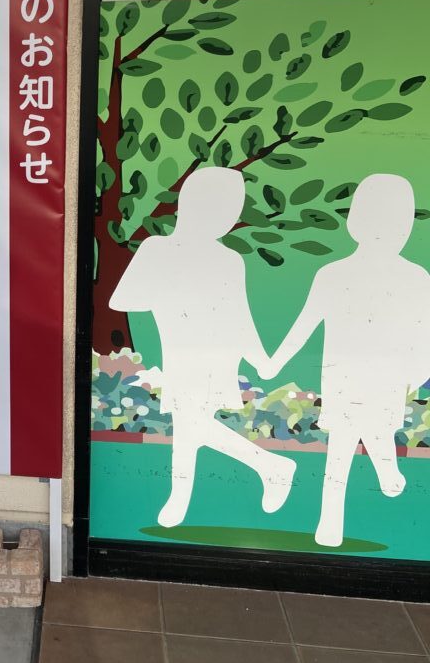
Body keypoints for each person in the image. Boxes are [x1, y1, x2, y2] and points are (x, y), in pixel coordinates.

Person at [110, 167, 296, 528]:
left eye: (231, 210)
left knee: (189, 424)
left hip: (215, 355)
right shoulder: (157, 248)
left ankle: (185, 498)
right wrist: (172, 288)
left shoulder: (229, 260)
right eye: (222, 208)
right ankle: (270, 467)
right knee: (189, 426)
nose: (226, 219)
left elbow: (240, 315)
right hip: (180, 350)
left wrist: (260, 359)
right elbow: (122, 299)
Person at [261, 174, 430, 547]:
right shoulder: (335, 275)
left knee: (374, 433)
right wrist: (274, 362)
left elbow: (425, 332)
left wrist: (419, 372)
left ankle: (386, 470)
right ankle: (331, 519)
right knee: (342, 446)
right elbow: (304, 326)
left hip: (383, 379)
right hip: (347, 379)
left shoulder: (414, 277)